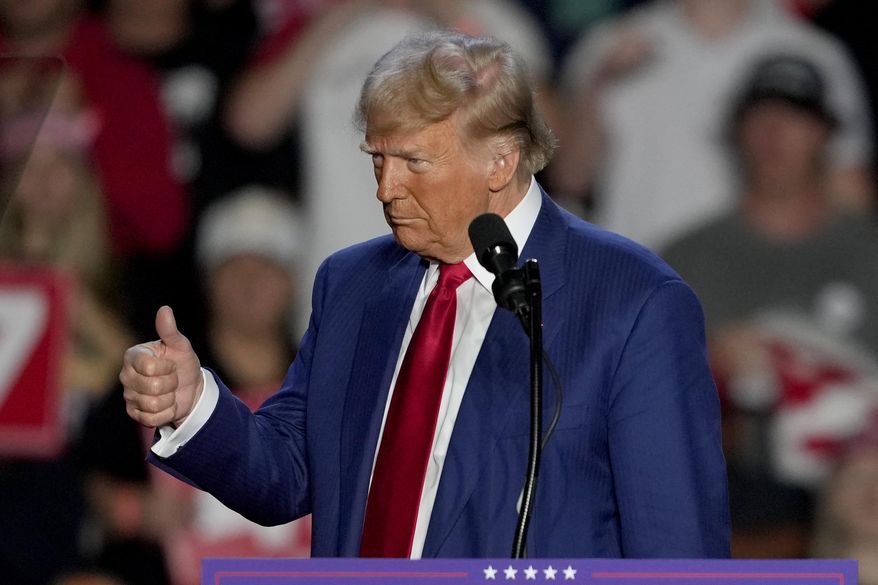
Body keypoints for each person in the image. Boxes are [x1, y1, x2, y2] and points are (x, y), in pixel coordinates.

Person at [120, 30, 729, 558]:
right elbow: (287, 473)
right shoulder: (351, 285)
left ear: (500, 159)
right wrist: (195, 403)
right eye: (377, 159)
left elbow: (676, 552)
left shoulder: (634, 303)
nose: (386, 189)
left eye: (413, 161)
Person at [662, 54, 878, 558]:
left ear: (825, 135)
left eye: (794, 119)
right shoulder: (686, 258)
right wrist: (712, 365)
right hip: (738, 488)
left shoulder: (867, 249)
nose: (774, 134)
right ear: (737, 135)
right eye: (759, 119)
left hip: (859, 482)